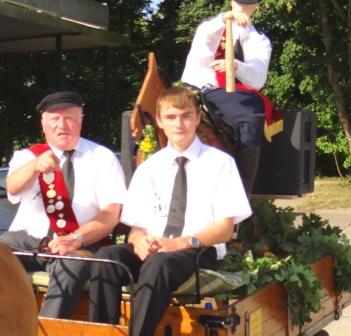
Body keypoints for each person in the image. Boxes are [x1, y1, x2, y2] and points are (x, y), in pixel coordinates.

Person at [88, 87, 252, 335]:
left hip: (197, 250)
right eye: (171, 117)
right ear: (161, 122)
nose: (180, 124)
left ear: (197, 118)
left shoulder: (220, 163)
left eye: (186, 116)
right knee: (106, 258)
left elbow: (225, 230)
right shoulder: (150, 167)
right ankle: (102, 332)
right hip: (156, 248)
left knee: (159, 265)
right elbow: (136, 227)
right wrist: (139, 241)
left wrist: (182, 243)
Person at [0, 91, 126, 318]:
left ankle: (49, 327)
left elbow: (111, 213)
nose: (62, 125)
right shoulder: (28, 156)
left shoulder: (102, 158)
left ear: (80, 121)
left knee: (72, 264)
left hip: (82, 245)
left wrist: (76, 238)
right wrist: (34, 167)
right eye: (54, 119)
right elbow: (13, 188)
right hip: (29, 244)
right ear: (43, 124)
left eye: (69, 118)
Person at [181, 0, 273, 195]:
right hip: (195, 88)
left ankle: (241, 193)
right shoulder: (209, 27)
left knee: (251, 119)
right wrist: (224, 19)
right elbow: (203, 43)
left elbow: (258, 78)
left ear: (256, 6)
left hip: (232, 93)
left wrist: (236, 66)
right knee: (147, 112)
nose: (243, 6)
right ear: (231, 2)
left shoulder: (260, 41)